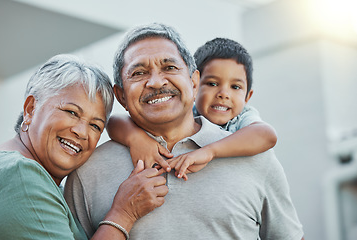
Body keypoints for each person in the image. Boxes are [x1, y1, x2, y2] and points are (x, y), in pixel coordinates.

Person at [64, 23, 304, 239]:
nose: (156, 82)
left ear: (193, 81)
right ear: (121, 96)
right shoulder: (86, 173)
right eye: (139, 73)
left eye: (169, 67)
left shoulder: (255, 157)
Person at [0, 54, 168, 240]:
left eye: (95, 125)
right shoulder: (19, 175)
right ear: (30, 109)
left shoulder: (26, 173)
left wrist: (133, 137)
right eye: (72, 112)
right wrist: (124, 213)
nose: (82, 132)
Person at [106, 37, 277, 180]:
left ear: (248, 97)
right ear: (195, 85)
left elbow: (267, 135)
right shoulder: (186, 111)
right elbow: (113, 121)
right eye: (212, 84)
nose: (223, 94)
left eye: (235, 87)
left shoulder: (242, 119)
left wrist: (210, 151)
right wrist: (136, 139)